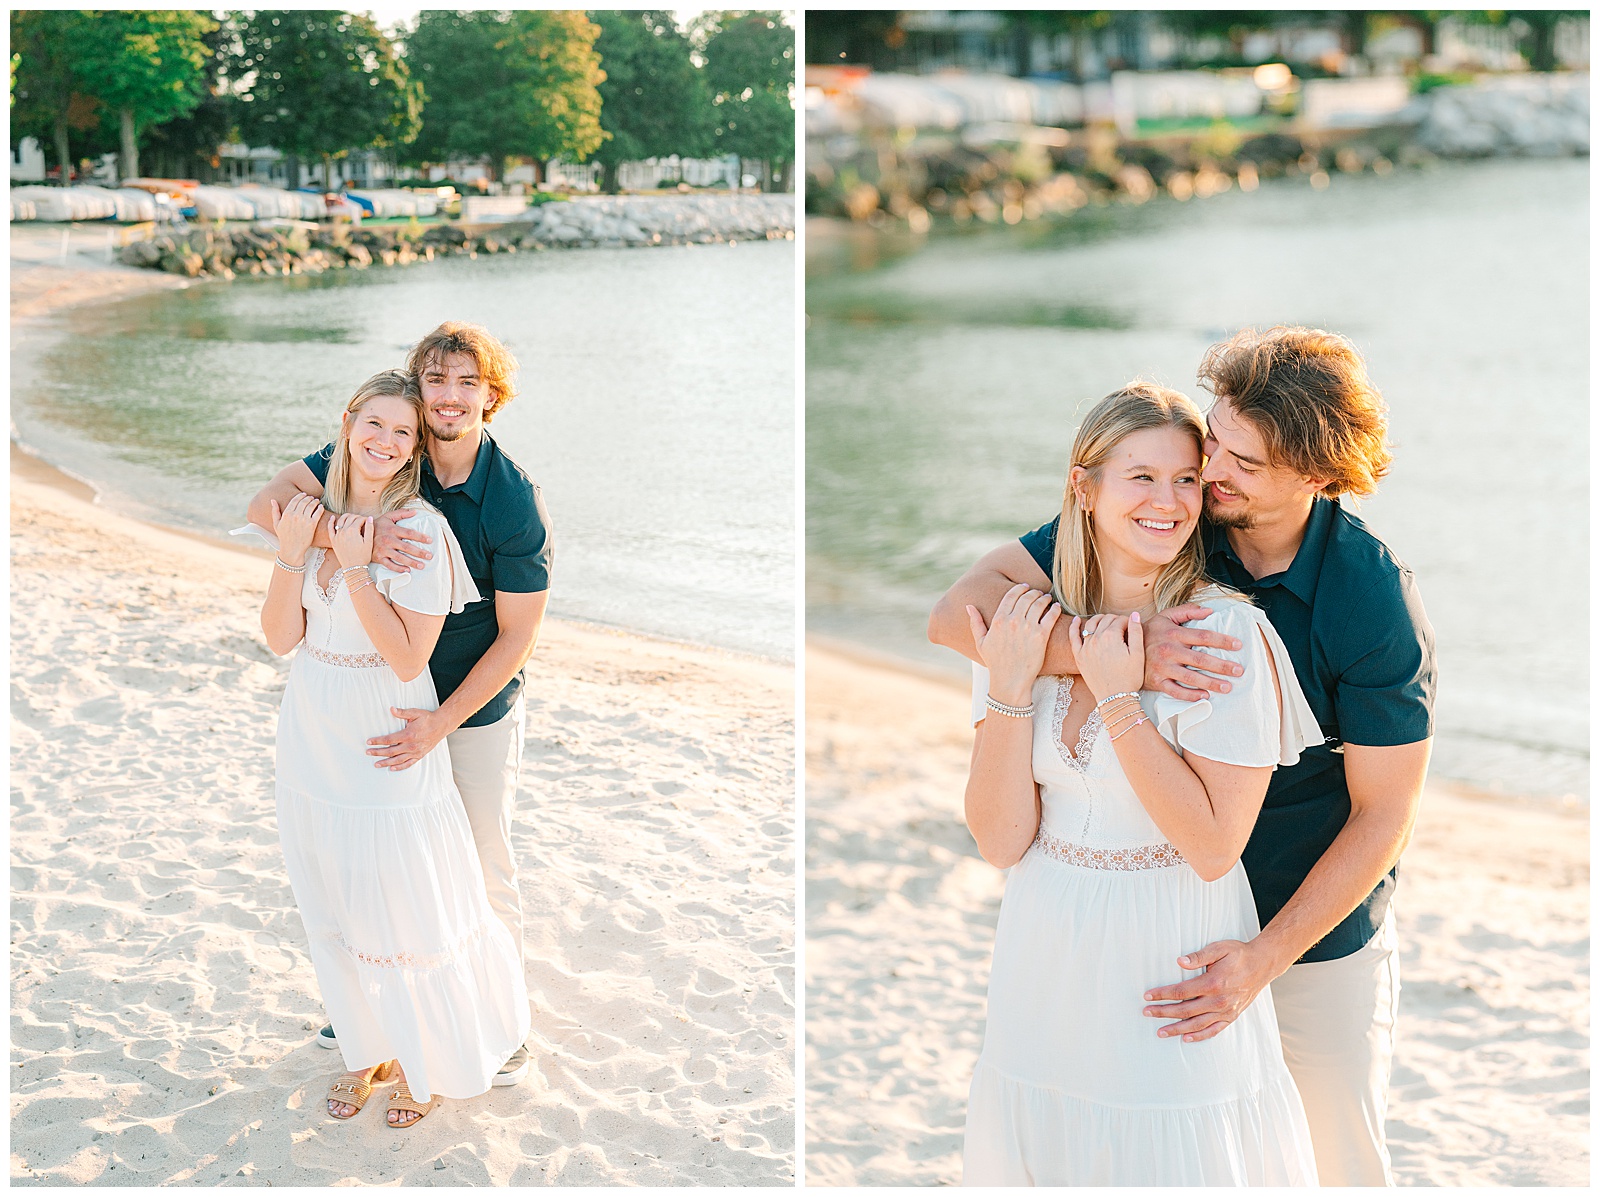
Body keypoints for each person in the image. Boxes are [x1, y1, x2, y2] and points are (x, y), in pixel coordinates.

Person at [930, 327, 1436, 1185]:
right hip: (1168, 919)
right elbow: (959, 614)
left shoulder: (1368, 595)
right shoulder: (1174, 516)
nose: (1210, 468)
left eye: (1240, 458)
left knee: (1332, 1155)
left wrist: (1263, 958)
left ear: (1313, 476)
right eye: (1215, 437)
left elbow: (1386, 812)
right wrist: (1114, 646)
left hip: (1309, 927)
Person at [957, 382, 1320, 1185]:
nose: (1170, 501)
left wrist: (1121, 700)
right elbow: (999, 839)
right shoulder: (1026, 626)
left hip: (1167, 960)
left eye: (1187, 478)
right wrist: (1013, 685)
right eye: (1142, 477)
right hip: (1043, 953)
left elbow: (1213, 845)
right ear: (1082, 490)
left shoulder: (1222, 635)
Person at [248, 322, 551, 1088]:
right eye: (436, 380)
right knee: (373, 861)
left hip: (469, 702)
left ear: (491, 395)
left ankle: (497, 1020)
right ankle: (369, 1008)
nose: (448, 397)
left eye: (466, 383)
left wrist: (440, 723)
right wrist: (361, 538)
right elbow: (267, 505)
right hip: (373, 694)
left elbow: (517, 637)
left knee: (476, 861)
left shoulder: (512, 499)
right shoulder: (383, 448)